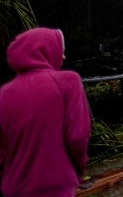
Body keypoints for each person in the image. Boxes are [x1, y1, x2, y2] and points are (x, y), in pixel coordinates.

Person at [0, 27, 91, 197]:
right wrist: (77, 170)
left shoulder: (3, 94)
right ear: (45, 50)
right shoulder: (68, 82)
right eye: (60, 50)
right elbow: (77, 137)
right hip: (55, 187)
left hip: (14, 189)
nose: (63, 56)